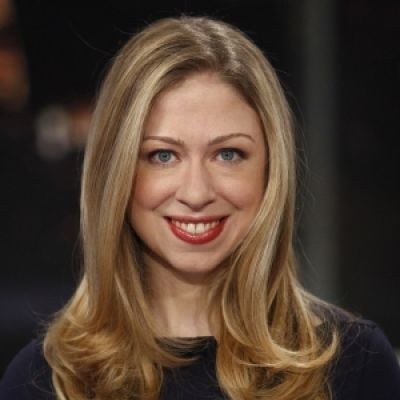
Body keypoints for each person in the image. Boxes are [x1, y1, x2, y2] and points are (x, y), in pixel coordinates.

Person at [1, 16, 399, 400]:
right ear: (115, 171)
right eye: (162, 156)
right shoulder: (44, 381)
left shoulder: (354, 367)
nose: (196, 192)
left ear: (270, 170)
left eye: (228, 154)